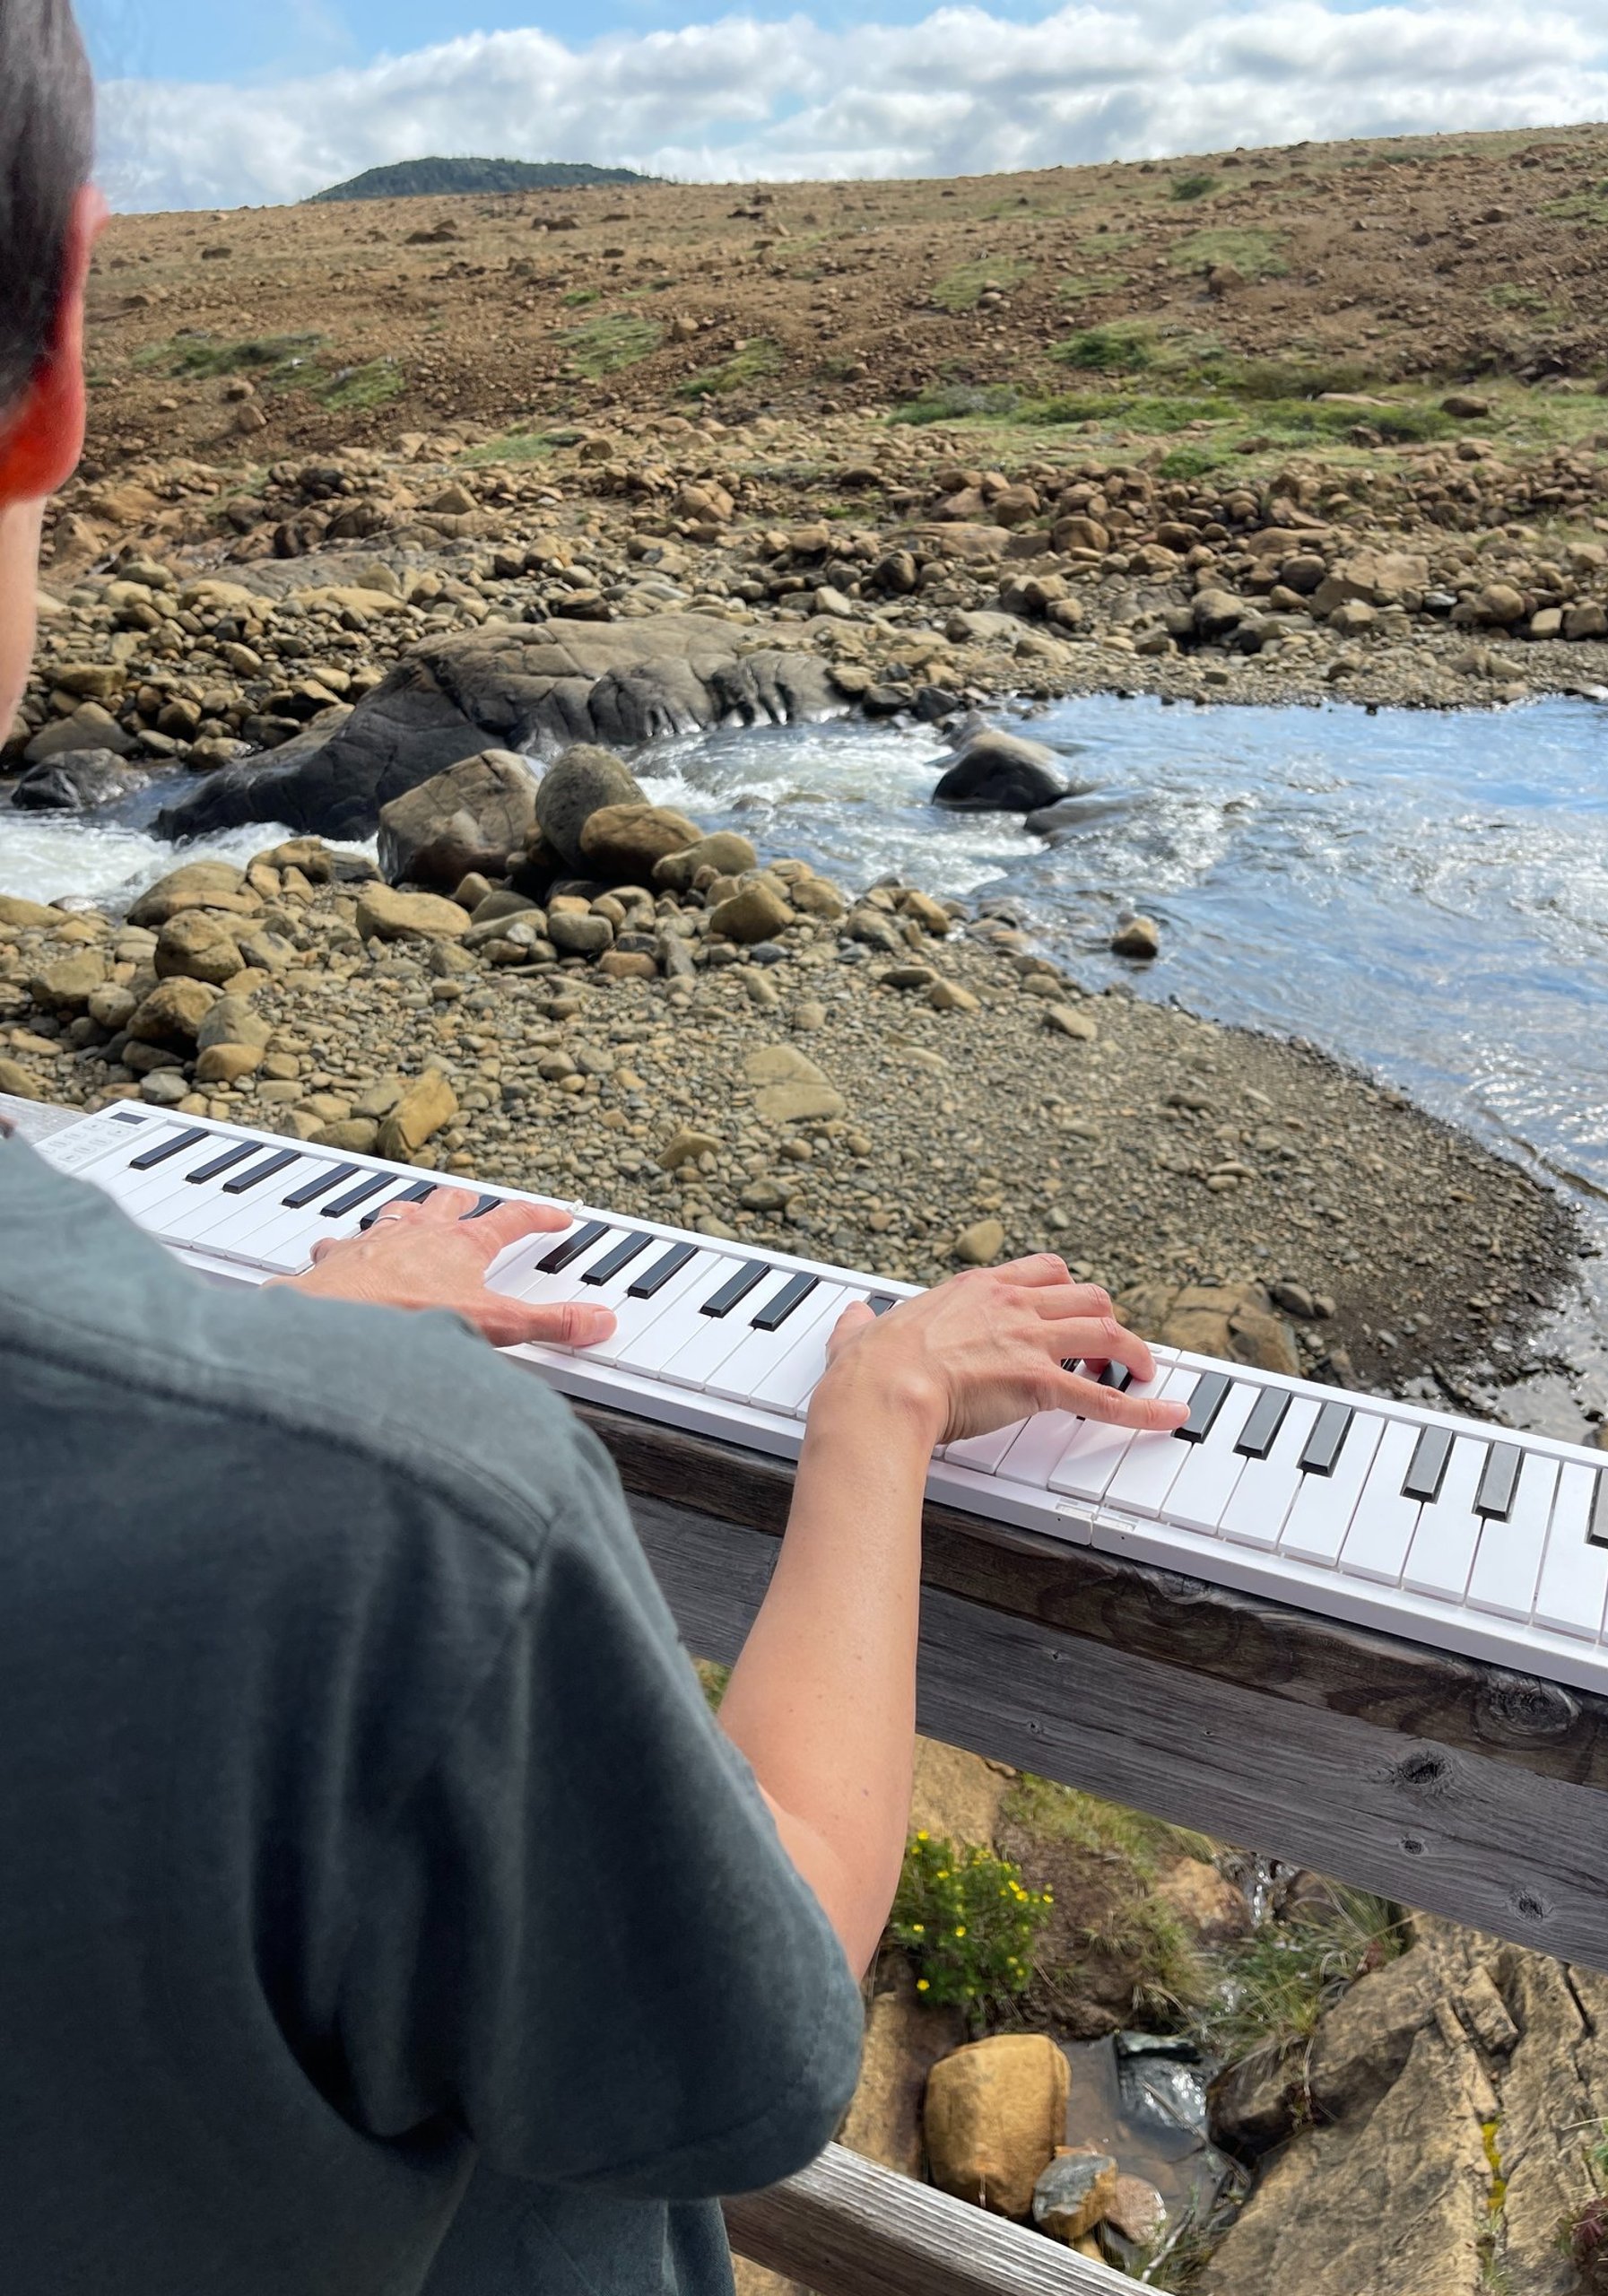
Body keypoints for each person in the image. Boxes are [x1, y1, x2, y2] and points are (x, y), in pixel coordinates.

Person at [0, 5, 1186, 2290]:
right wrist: (879, 1409)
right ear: (62, 334)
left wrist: (244, 1356)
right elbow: (764, 2015)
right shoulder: (413, 1528)